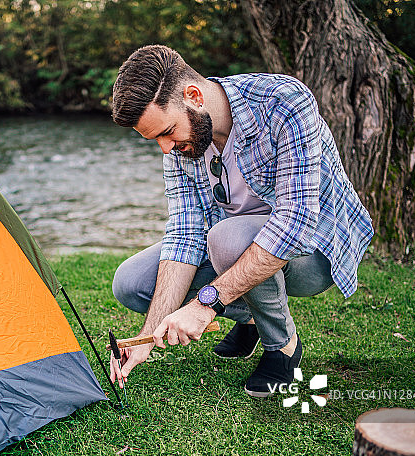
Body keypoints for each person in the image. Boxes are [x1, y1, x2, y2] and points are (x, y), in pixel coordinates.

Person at [109, 45, 373, 397]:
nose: (166, 149)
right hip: (234, 245)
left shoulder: (284, 101)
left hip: (316, 251)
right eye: (156, 139)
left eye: (167, 131)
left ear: (193, 96)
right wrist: (146, 339)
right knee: (132, 282)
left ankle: (282, 346)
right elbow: (186, 234)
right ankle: (250, 316)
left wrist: (205, 306)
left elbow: (294, 226)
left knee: (227, 239)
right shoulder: (184, 141)